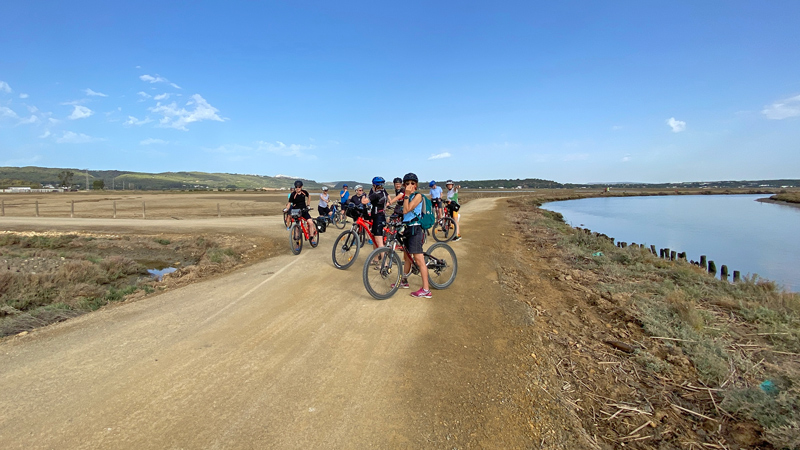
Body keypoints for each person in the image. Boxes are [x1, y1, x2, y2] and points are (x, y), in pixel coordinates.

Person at [396, 172, 431, 298]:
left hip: (415, 229)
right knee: (407, 257)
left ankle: (426, 289)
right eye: (407, 183)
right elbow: (403, 212)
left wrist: (406, 195)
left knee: (419, 259)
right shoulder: (408, 197)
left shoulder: (418, 196)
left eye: (412, 183)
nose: (410, 185)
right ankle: (404, 281)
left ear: (416, 185)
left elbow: (406, 210)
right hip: (407, 228)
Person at [367, 177, 388, 250]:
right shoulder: (384, 192)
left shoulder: (376, 194)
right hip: (380, 216)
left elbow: (364, 201)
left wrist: (363, 197)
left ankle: (383, 258)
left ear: (375, 185)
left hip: (378, 217)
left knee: (379, 242)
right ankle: (376, 256)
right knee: (375, 239)